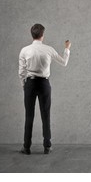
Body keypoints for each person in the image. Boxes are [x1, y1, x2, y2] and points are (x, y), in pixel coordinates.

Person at [18, 24, 71, 155]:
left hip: (30, 84)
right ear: (43, 35)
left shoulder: (24, 50)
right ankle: (47, 146)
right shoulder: (49, 49)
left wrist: (24, 86)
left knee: (29, 116)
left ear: (32, 35)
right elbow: (64, 62)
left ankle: (26, 147)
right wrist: (67, 49)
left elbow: (21, 72)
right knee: (45, 114)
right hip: (44, 84)